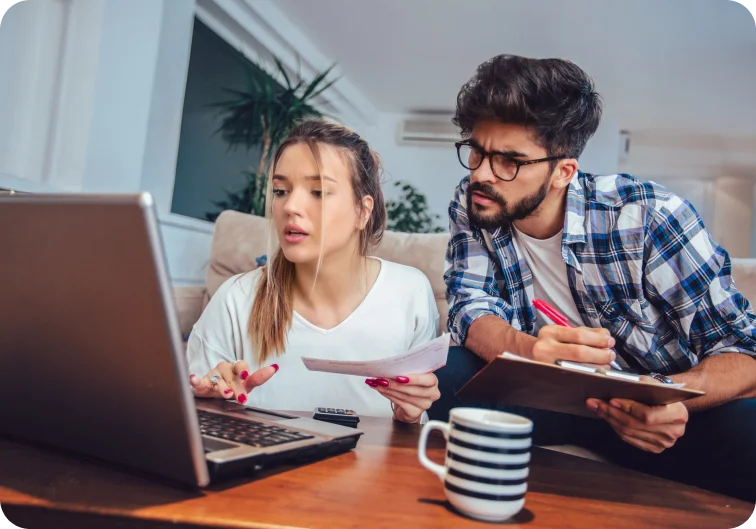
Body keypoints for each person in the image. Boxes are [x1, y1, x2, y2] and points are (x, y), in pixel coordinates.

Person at [442, 54, 756, 501]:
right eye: (476, 150)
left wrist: (671, 398)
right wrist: (531, 351)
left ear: (563, 172)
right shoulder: (474, 201)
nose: (481, 174)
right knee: (444, 374)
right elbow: (470, 305)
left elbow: (744, 348)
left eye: (509, 161)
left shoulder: (648, 216)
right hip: (547, 394)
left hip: (655, 410)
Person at [187, 119, 440, 423]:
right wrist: (213, 400)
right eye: (280, 190)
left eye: (318, 191)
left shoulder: (410, 292)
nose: (291, 206)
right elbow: (193, 415)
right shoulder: (235, 298)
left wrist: (410, 414)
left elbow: (412, 423)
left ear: (362, 211)